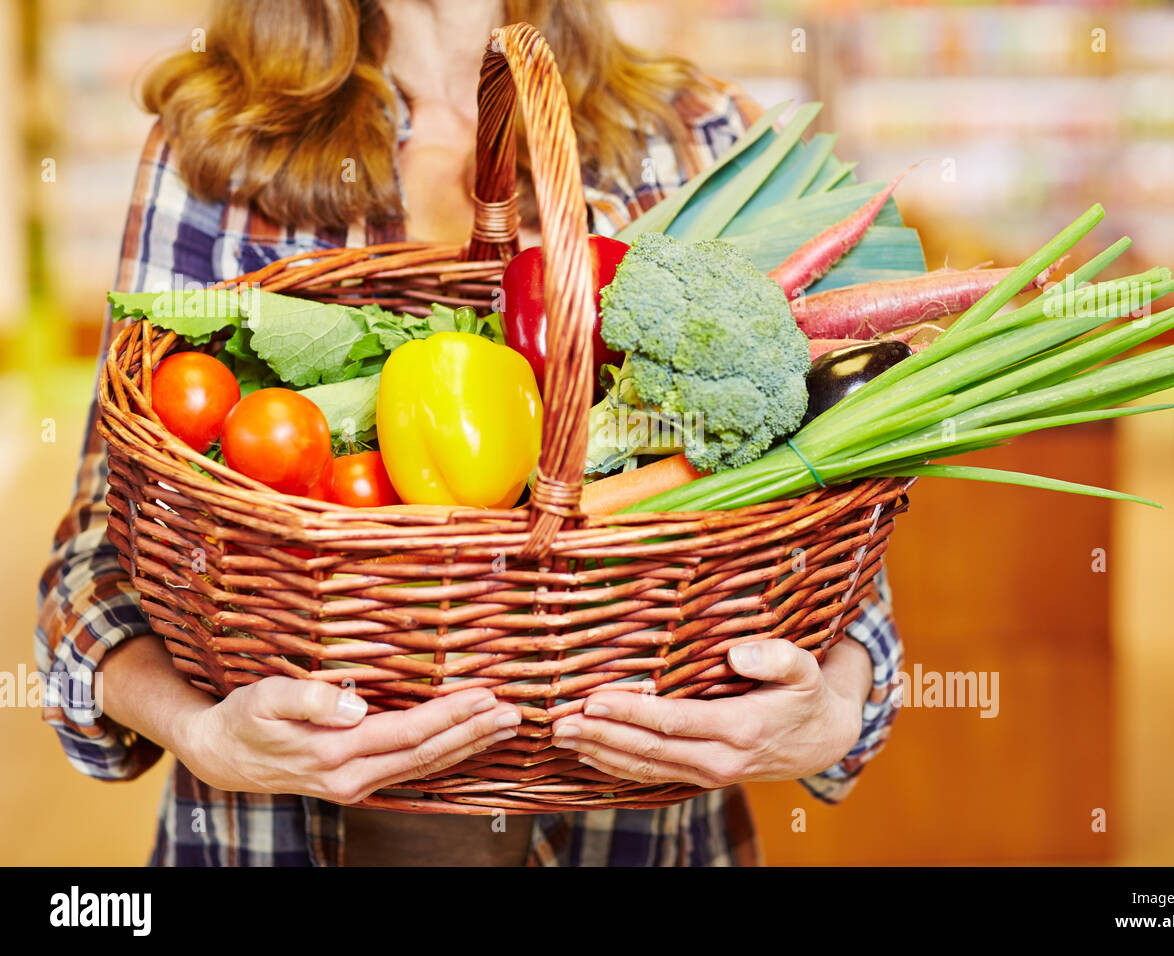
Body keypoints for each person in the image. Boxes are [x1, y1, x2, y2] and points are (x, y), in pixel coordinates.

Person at [35, 0, 902, 867]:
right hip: (275, 838)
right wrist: (199, 731)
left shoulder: (695, 137)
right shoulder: (217, 138)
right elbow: (101, 546)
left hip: (640, 839)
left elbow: (829, 533)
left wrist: (827, 714)